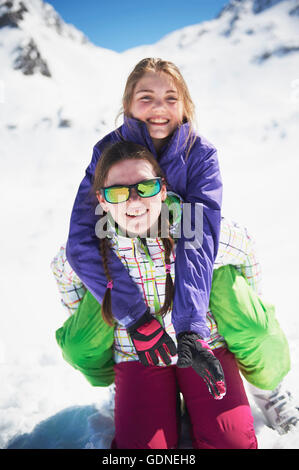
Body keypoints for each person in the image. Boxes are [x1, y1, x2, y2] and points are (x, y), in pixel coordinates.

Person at [53, 141, 258, 449]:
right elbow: (64, 273)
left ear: (162, 190)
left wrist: (239, 300)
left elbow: (245, 251)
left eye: (145, 187)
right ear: (102, 201)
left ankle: (200, 407)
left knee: (231, 442)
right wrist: (97, 315)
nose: (134, 200)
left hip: (204, 347)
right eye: (118, 192)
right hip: (138, 354)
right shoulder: (93, 248)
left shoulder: (192, 229)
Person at [65, 57, 222, 370]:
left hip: (182, 271)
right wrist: (134, 315)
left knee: (245, 323)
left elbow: (197, 234)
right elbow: (83, 237)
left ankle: (266, 390)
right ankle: (118, 383)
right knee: (80, 345)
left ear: (185, 105)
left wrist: (189, 326)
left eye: (170, 98)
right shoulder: (108, 151)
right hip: (125, 271)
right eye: (146, 98)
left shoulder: (199, 154)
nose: (159, 109)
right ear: (128, 104)